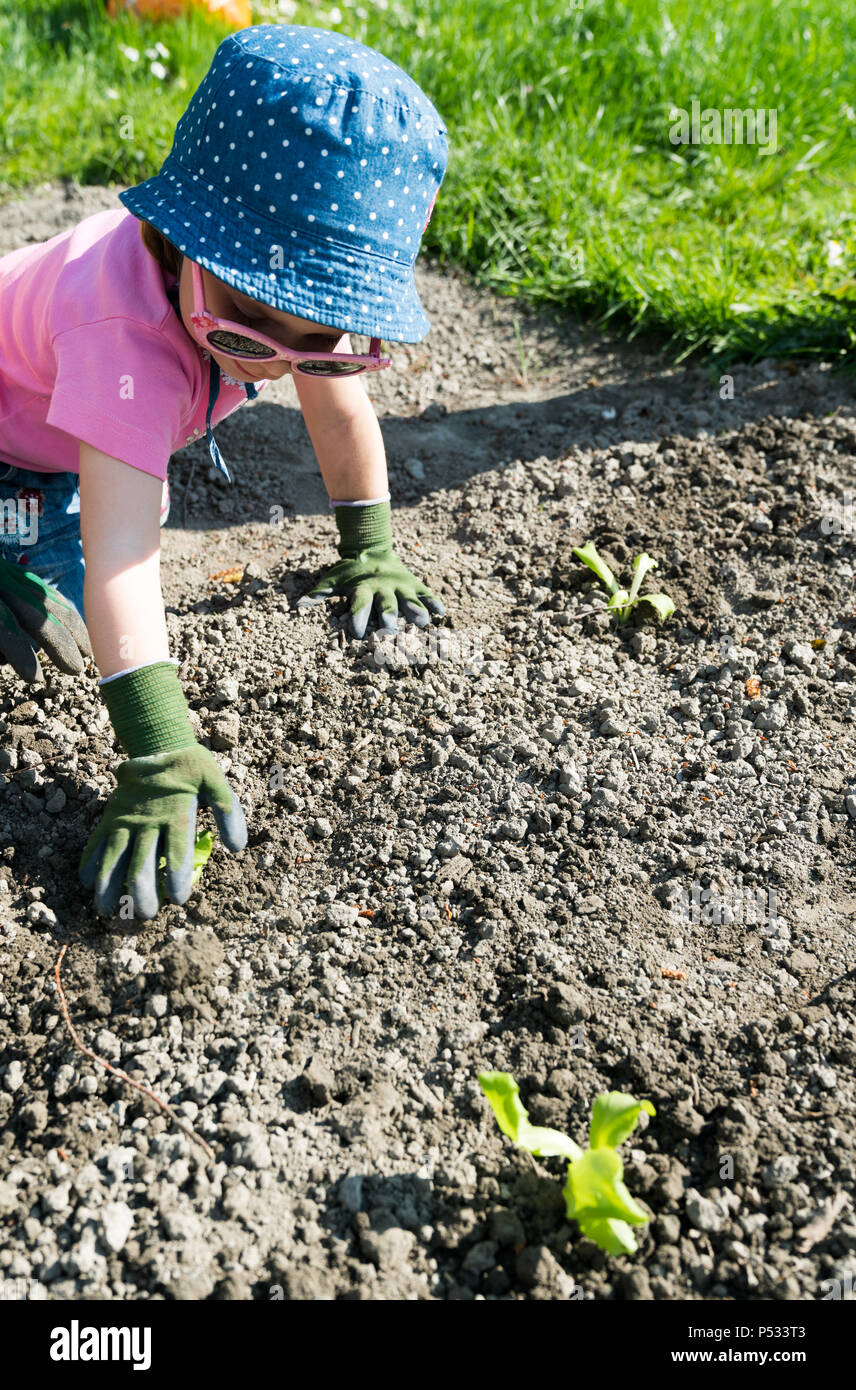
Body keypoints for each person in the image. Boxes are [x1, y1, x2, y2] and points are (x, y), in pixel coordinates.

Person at [0, 22, 448, 920]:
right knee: (72, 602)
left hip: (64, 433)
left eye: (316, 338)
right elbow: (123, 547)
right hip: (14, 444)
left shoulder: (279, 308)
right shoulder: (121, 337)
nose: (280, 360)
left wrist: (372, 546)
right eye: (249, 320)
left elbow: (341, 406)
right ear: (180, 235)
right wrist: (160, 751)